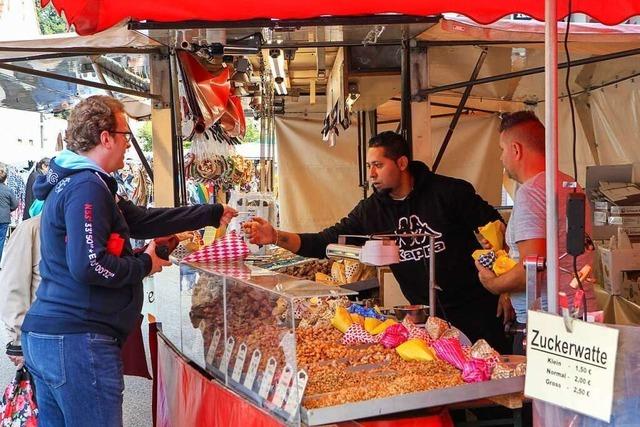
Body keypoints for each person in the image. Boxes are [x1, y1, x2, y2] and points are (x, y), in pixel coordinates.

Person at [21, 95, 237, 427]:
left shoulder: (86, 182)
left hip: (53, 338)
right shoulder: (86, 187)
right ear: (105, 137)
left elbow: (142, 221)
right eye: (125, 135)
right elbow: (89, 264)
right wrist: (144, 264)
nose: (128, 144)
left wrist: (210, 213)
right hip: (78, 341)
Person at [245, 131, 511, 353]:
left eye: (378, 165)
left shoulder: (449, 192)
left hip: (479, 307)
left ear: (402, 163)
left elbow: (497, 230)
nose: (371, 173)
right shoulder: (371, 211)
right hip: (428, 318)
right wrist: (276, 236)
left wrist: (505, 287)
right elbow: (325, 242)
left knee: (493, 390)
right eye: (369, 166)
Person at [475, 111, 596, 355]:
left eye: (502, 149)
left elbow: (532, 269)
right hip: (579, 315)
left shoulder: (530, 193)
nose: (501, 158)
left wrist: (492, 284)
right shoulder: (568, 184)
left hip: (547, 328)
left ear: (516, 150)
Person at [0, 168, 18, 263]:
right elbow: (15, 204)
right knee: (1, 240)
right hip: (4, 218)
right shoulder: (8, 190)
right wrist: (8, 209)